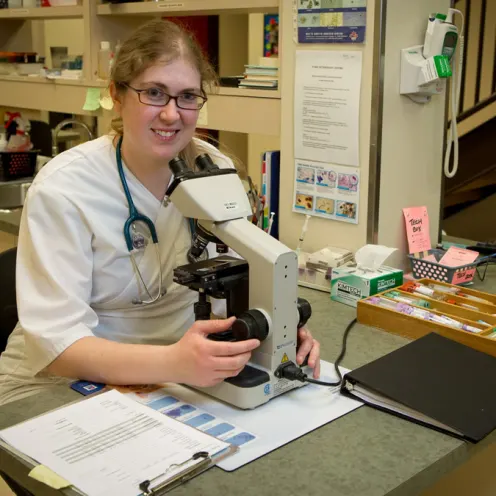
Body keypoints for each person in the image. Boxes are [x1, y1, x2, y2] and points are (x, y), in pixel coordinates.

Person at [0, 19, 320, 406]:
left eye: (187, 96)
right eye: (154, 93)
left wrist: (277, 327)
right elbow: (58, 346)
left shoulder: (213, 167)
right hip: (59, 385)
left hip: (178, 379)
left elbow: (239, 281)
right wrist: (173, 362)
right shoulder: (66, 188)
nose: (172, 114)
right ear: (117, 95)